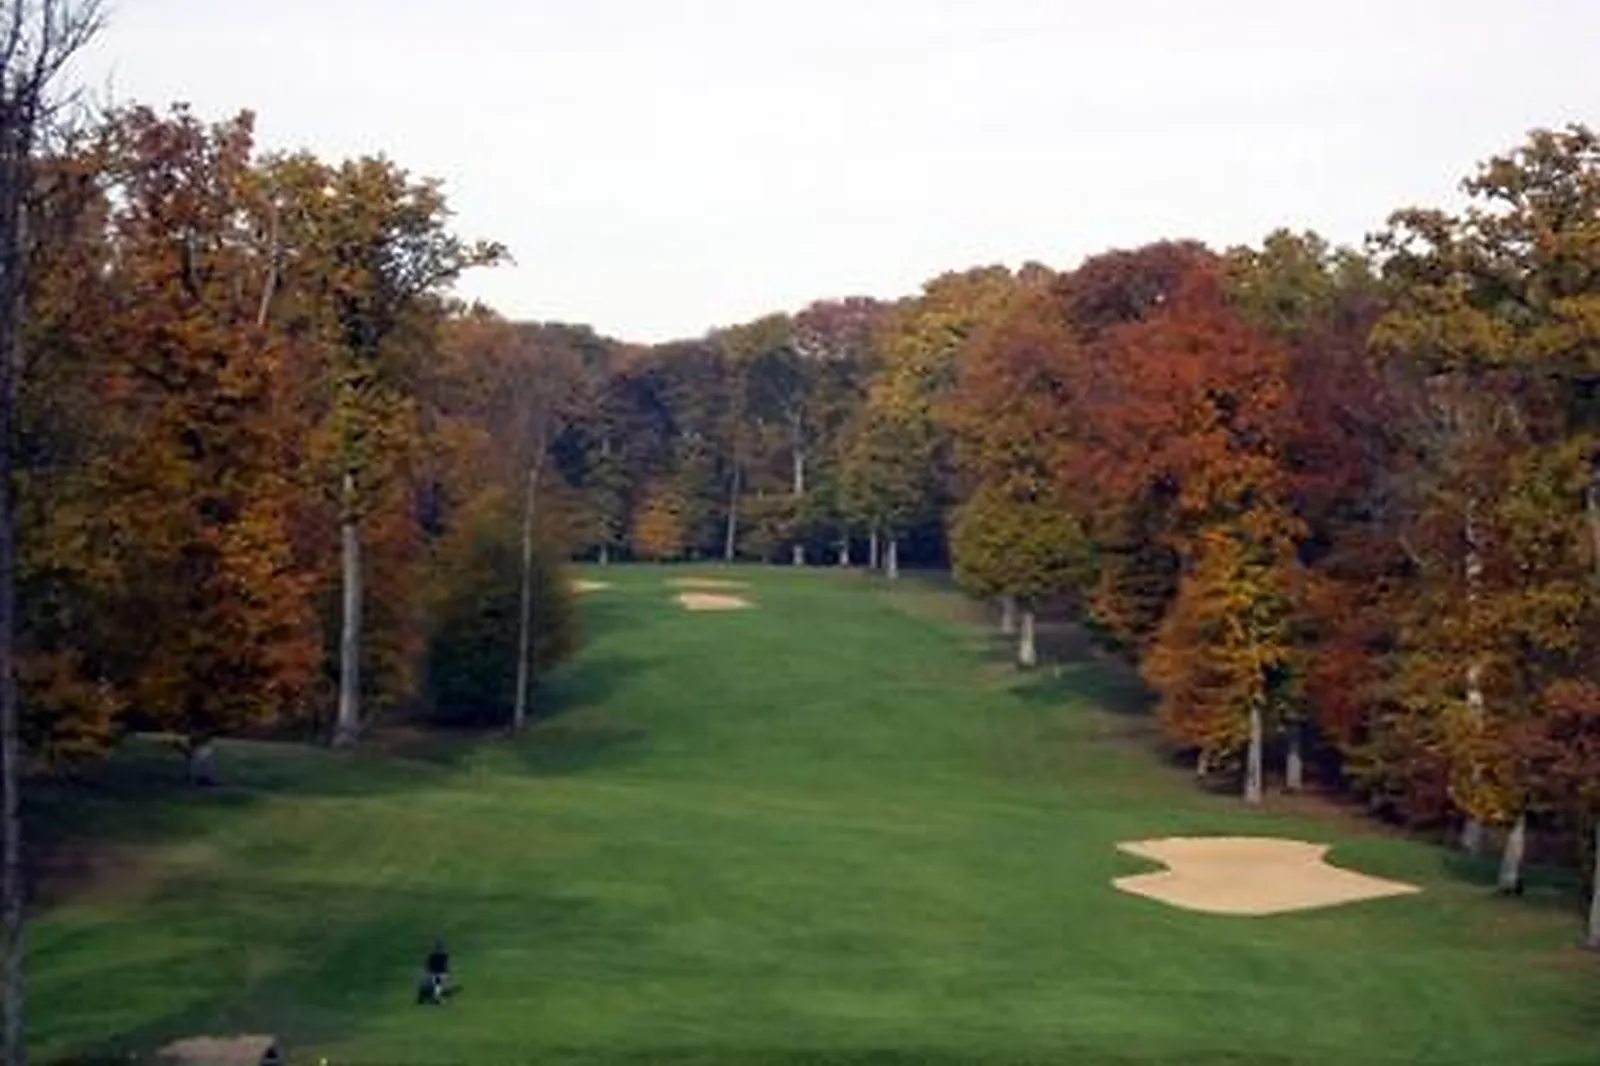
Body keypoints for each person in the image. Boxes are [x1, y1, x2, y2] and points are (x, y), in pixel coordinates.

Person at [417, 938, 451, 1004]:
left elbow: (429, 965)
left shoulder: (433, 955)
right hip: (439, 973)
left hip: (435, 973)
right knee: (436, 984)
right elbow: (445, 966)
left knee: (434, 983)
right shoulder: (444, 955)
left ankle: (433, 997)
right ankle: (434, 997)